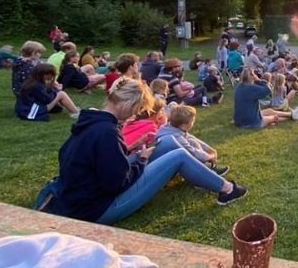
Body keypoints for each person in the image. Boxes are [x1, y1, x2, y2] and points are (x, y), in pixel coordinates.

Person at [50, 78, 247, 225]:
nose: (135, 114)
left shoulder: (92, 121)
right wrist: (141, 160)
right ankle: (227, 190)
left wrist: (133, 147)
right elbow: (118, 183)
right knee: (178, 156)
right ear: (128, 104)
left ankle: (201, 175)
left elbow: (99, 159)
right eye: (137, 109)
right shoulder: (106, 132)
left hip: (81, 197)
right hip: (96, 209)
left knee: (166, 141)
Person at [154, 105, 229, 176]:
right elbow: (192, 152)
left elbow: (191, 138)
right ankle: (204, 173)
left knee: (192, 141)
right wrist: (210, 156)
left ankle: (206, 166)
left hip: (170, 160)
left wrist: (209, 149)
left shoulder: (172, 128)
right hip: (165, 168)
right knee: (192, 150)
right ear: (184, 125)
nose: (193, 122)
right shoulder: (175, 138)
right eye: (192, 121)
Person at [233, 68, 298, 129]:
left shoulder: (239, 87)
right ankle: (291, 116)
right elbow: (268, 89)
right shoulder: (251, 88)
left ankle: (291, 114)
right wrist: (258, 80)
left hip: (239, 120)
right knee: (274, 117)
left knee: (269, 111)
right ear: (252, 76)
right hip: (251, 122)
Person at [16, 64, 80, 121]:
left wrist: (51, 87)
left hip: (24, 109)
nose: (51, 77)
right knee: (61, 94)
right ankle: (75, 112)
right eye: (50, 75)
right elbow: (48, 99)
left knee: (59, 96)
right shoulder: (37, 86)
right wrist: (54, 89)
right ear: (42, 74)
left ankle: (74, 109)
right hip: (31, 111)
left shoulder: (31, 82)